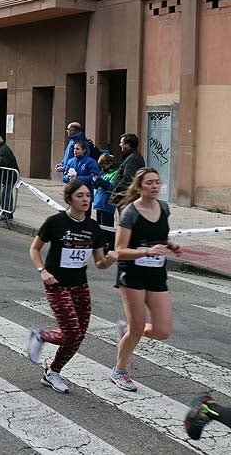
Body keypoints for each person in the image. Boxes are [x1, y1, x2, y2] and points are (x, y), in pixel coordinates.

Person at [26, 181, 116, 393]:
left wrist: (110, 260)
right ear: (69, 199)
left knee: (79, 335)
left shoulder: (93, 227)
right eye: (80, 196)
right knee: (71, 333)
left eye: (87, 195)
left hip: (80, 285)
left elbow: (99, 263)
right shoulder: (55, 222)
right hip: (56, 284)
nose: (85, 199)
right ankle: (41, 336)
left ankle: (52, 372)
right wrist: (43, 271)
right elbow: (34, 249)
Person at [111, 167, 182, 392]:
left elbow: (158, 235)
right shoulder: (130, 213)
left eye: (157, 182)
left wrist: (170, 245)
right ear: (139, 186)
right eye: (149, 182)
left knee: (163, 330)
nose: (154, 186)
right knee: (138, 327)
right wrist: (147, 252)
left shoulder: (163, 208)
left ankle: (129, 331)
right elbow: (119, 250)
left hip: (156, 273)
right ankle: (119, 371)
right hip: (132, 273)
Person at [110, 133, 145, 207]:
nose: (120, 145)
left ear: (128, 145)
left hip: (126, 198)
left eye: (121, 143)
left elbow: (128, 178)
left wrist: (116, 192)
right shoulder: (131, 157)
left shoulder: (132, 159)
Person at [92, 153, 119, 231]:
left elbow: (112, 188)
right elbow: (98, 187)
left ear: (110, 163)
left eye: (104, 166)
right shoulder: (103, 172)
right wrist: (95, 182)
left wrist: (101, 181)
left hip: (107, 205)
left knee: (107, 229)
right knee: (99, 228)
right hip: (99, 203)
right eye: (101, 167)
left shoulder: (115, 173)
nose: (103, 168)